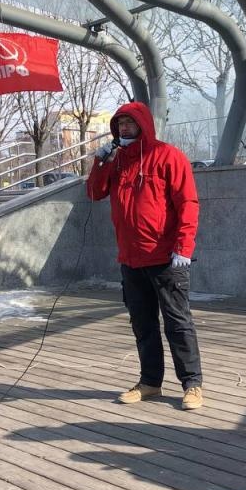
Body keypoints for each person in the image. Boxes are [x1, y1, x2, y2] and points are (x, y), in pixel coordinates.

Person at [87, 102, 205, 410]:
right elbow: (95, 193)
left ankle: (192, 384)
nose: (124, 127)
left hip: (166, 258)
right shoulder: (117, 160)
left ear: (143, 124)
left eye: (129, 122)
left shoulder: (168, 155)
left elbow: (188, 203)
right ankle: (150, 382)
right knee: (143, 324)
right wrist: (100, 163)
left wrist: (183, 247)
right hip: (131, 259)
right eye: (119, 123)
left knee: (177, 322)